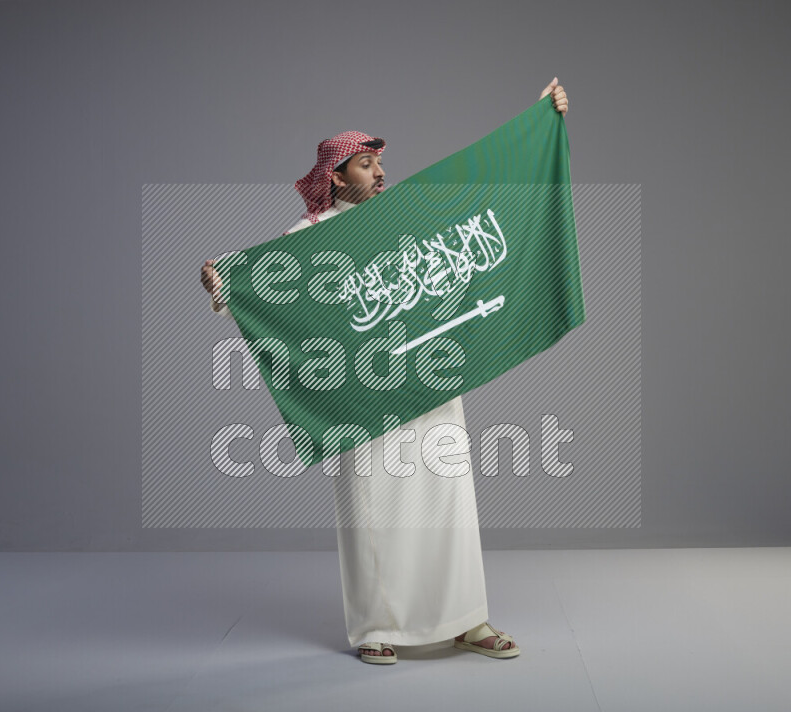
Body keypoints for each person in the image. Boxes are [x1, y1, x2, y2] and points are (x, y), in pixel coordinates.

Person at [201, 79, 569, 664]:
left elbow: (488, 198)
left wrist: (543, 121)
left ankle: (468, 621)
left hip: (430, 380)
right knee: (373, 513)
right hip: (363, 397)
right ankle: (377, 628)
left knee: (449, 504)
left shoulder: (406, 218)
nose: (377, 173)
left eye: (379, 163)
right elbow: (265, 285)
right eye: (365, 164)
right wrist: (224, 287)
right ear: (335, 177)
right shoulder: (311, 238)